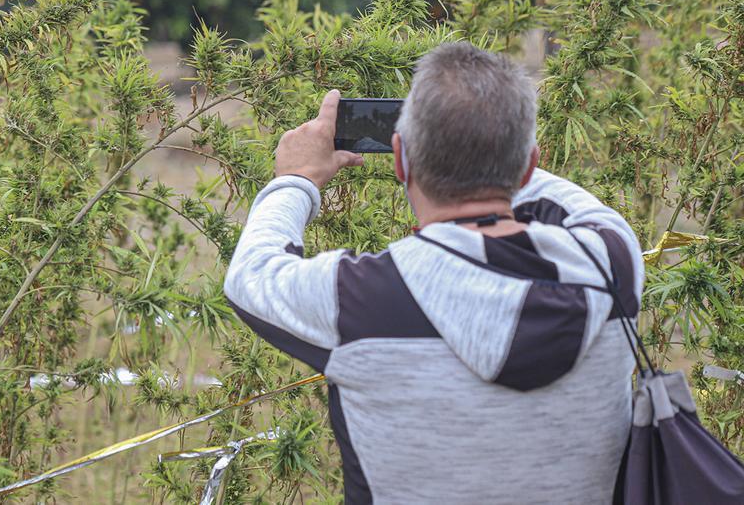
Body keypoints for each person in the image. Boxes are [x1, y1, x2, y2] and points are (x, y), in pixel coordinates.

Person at [224, 42, 642, 504]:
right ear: (528, 166)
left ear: (401, 160)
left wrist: (296, 178)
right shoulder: (611, 263)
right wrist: (488, 142)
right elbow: (574, 204)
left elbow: (251, 273)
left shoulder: (357, 301)